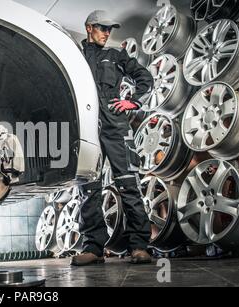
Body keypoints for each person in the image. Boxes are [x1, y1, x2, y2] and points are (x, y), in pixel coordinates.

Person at [71, 10, 154, 266]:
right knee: (88, 189)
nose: (107, 33)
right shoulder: (75, 56)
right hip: (86, 128)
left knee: (129, 184)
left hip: (115, 127)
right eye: (102, 28)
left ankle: (139, 246)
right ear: (88, 28)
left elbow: (145, 78)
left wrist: (133, 102)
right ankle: (94, 248)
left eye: (110, 29)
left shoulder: (116, 55)